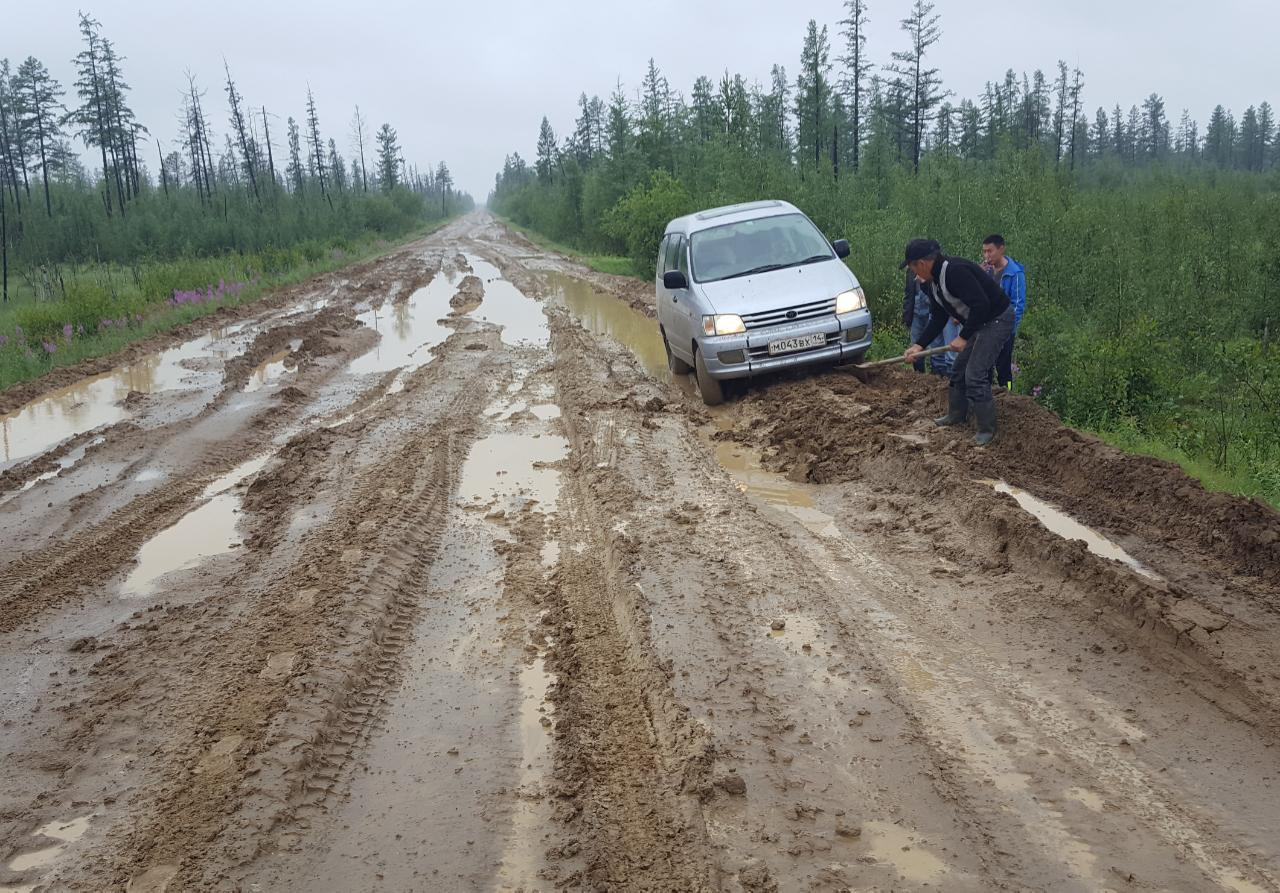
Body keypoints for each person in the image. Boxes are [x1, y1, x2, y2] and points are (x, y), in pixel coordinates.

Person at [900, 239, 1015, 446]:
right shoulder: (934, 283)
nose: (915, 276)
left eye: (913, 269)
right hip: (980, 322)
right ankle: (956, 414)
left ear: (923, 264)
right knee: (959, 369)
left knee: (975, 374)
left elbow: (981, 304)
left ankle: (986, 430)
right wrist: (920, 345)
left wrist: (963, 337)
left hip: (997, 319)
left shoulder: (955, 272)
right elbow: (938, 318)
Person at [980, 234, 1026, 390]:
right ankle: (986, 395)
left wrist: (1010, 329)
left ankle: (1008, 393)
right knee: (984, 365)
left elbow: (1018, 304)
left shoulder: (1014, 273)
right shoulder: (986, 271)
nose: (987, 256)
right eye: (984, 252)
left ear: (1001, 249)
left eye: (990, 251)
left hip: (1004, 328)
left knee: (1003, 367)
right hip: (986, 326)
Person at [901, 270, 957, 376]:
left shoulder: (939, 272)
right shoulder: (910, 272)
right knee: (931, 351)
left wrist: (954, 313)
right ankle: (924, 378)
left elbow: (943, 296)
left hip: (938, 312)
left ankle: (950, 380)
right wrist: (906, 315)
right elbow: (908, 294)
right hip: (919, 312)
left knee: (949, 354)